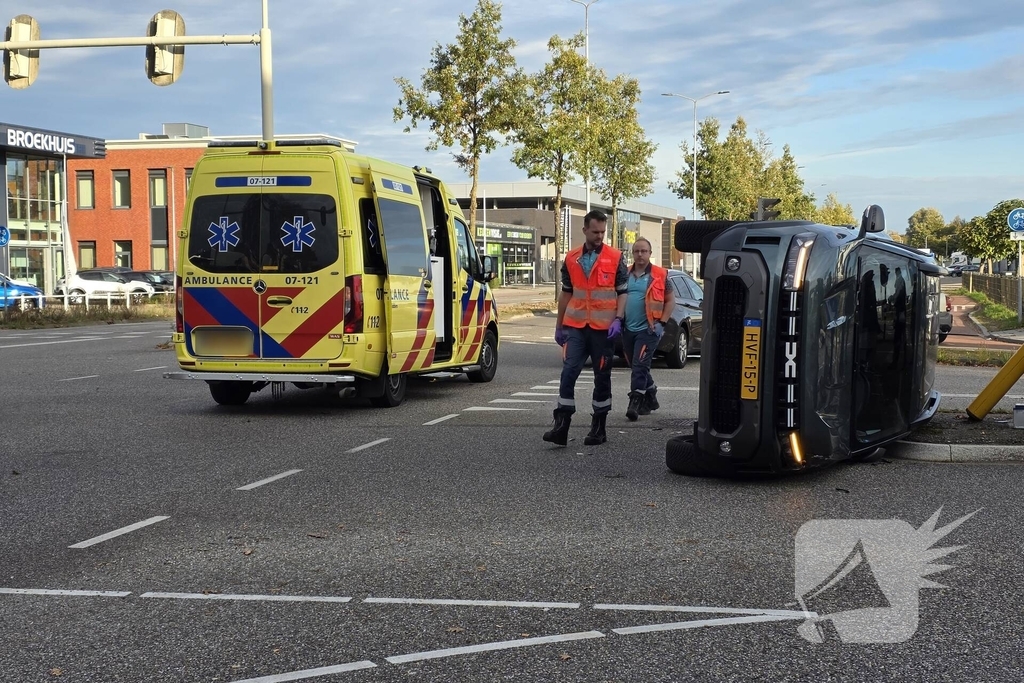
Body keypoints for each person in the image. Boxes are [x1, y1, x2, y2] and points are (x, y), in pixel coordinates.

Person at [543, 210, 628, 447]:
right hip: (576, 326)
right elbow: (566, 293)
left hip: (603, 329)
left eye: (603, 231)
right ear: (585, 230)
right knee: (568, 372)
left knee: (602, 377)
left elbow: (623, 292)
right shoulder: (571, 258)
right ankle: (561, 426)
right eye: (595, 232)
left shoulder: (616, 257)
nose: (600, 236)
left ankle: (598, 428)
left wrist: (618, 319)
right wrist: (559, 325)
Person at [621, 237, 674, 421]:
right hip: (628, 329)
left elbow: (670, 300)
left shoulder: (660, 275)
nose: (640, 254)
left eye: (644, 251)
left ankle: (635, 401)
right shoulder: (625, 274)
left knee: (639, 366)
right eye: (637, 251)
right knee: (636, 364)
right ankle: (651, 394)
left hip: (649, 329)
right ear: (633, 253)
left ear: (650, 253)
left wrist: (663, 323)